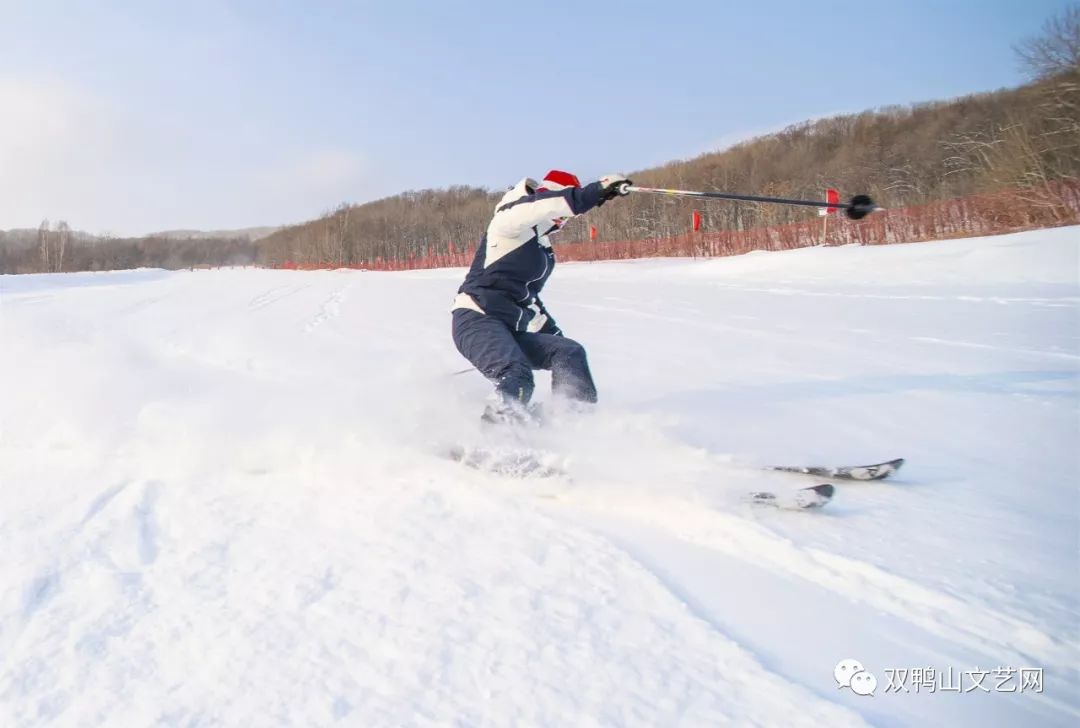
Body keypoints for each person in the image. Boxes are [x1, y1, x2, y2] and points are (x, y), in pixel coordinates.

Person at [451, 170, 632, 424]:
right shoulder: (510, 220)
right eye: (559, 213)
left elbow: (530, 299)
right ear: (548, 196)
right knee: (517, 375)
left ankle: (573, 424)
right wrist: (594, 192)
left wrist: (554, 339)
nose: (561, 221)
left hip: (510, 329)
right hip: (477, 318)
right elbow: (541, 207)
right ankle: (496, 439)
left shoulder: (541, 250)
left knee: (569, 352)